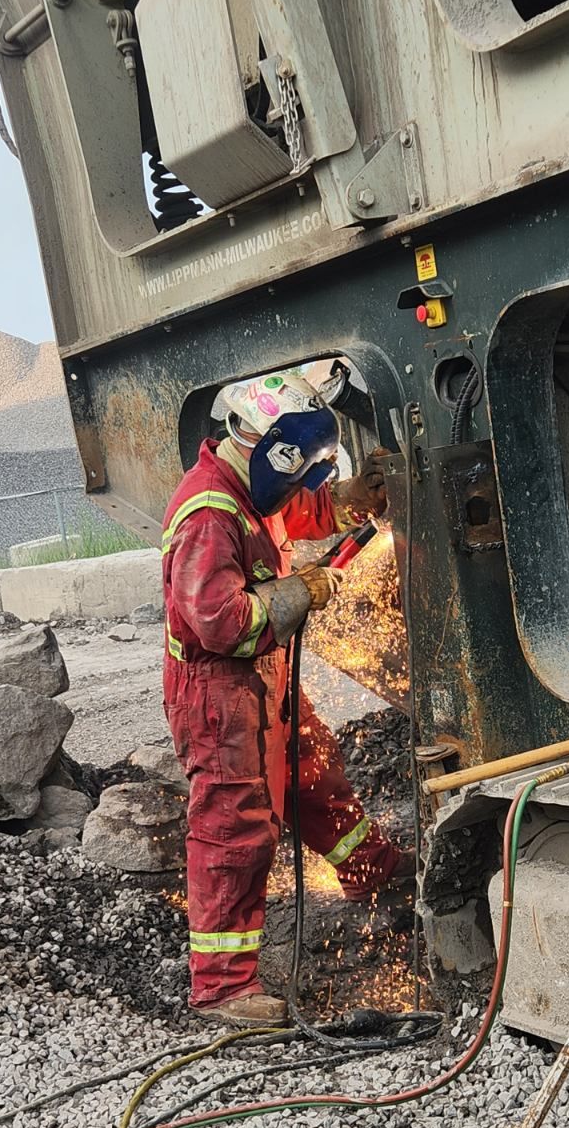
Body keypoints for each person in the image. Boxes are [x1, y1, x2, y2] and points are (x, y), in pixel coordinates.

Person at [162, 367, 414, 1027]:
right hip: (217, 690)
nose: (304, 484)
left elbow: (300, 506)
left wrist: (355, 498)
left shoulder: (248, 486)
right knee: (235, 826)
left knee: (313, 768)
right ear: (272, 452)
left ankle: (370, 869)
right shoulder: (208, 514)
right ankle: (222, 987)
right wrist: (304, 590)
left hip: (258, 674)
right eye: (301, 469)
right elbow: (221, 622)